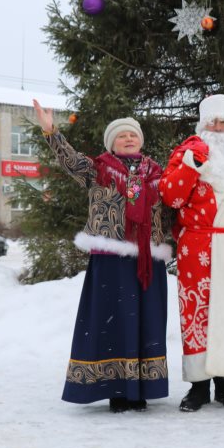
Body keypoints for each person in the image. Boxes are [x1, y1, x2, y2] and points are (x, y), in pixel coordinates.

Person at [33, 99, 172, 413]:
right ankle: (116, 389)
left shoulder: (156, 173)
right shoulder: (98, 169)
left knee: (145, 324)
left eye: (132, 135)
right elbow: (70, 161)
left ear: (140, 140)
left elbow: (178, 195)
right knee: (113, 324)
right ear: (112, 143)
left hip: (147, 259)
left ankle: (141, 389)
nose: (128, 139)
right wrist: (51, 131)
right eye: (121, 136)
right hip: (111, 258)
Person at [159, 94, 224, 412]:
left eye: (223, 120)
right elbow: (170, 197)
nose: (218, 126)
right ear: (203, 125)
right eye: (212, 121)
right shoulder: (187, 152)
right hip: (197, 245)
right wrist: (191, 166)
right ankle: (198, 386)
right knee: (196, 312)